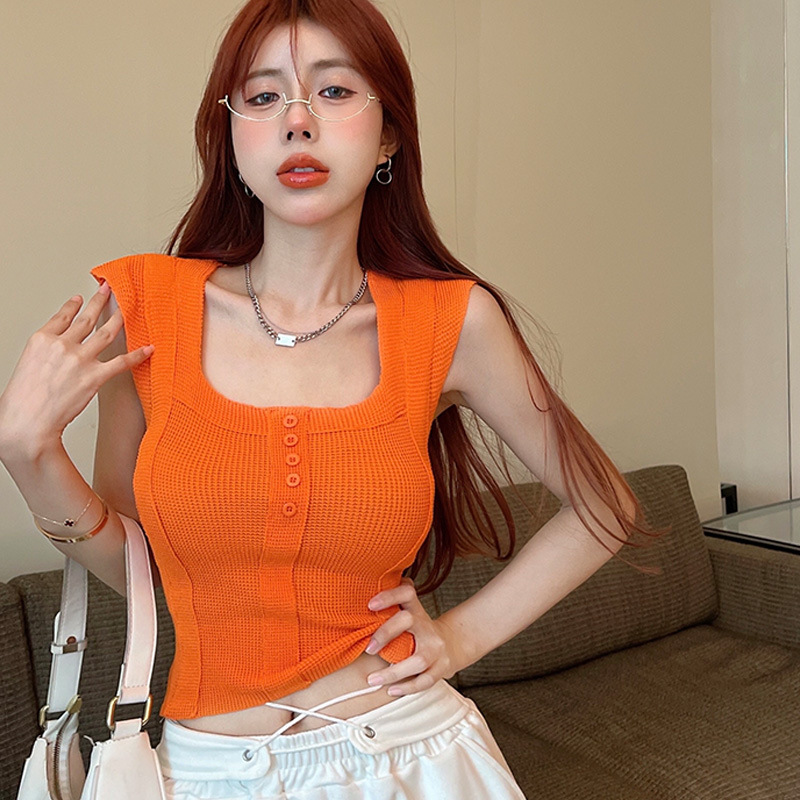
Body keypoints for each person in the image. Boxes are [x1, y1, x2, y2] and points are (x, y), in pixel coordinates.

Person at [0, 0, 668, 797]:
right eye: (262, 96)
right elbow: (138, 565)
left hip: (415, 754)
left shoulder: (452, 322)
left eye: (335, 90)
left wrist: (459, 640)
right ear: (231, 136)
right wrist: (29, 456)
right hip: (209, 771)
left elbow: (604, 506)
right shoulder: (145, 309)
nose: (297, 121)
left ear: (389, 135)